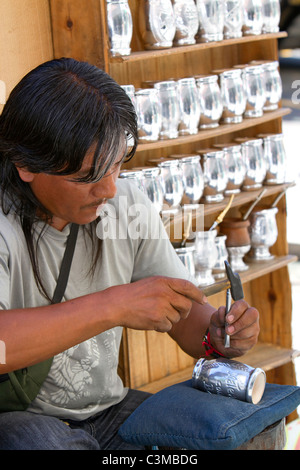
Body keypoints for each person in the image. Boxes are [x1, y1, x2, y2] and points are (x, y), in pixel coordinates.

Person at [0, 58, 259, 450]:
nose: (108, 190)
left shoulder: (126, 209)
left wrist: (221, 335)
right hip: (19, 421)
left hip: (107, 412)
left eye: (116, 165)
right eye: (88, 176)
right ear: (26, 164)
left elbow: (190, 325)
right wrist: (113, 306)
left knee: (215, 434)